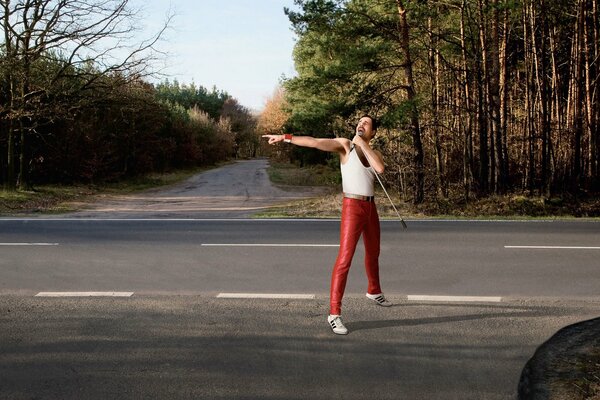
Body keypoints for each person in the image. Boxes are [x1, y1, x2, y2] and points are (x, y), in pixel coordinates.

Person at [263, 115, 392, 335]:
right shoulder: (345, 146)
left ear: (373, 132)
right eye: (359, 122)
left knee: (373, 252)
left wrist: (363, 144)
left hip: (371, 208)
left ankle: (374, 291)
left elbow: (379, 168)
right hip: (352, 206)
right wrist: (285, 137)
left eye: (366, 123)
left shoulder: (373, 152)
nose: (361, 124)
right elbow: (313, 141)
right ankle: (334, 314)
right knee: (344, 259)